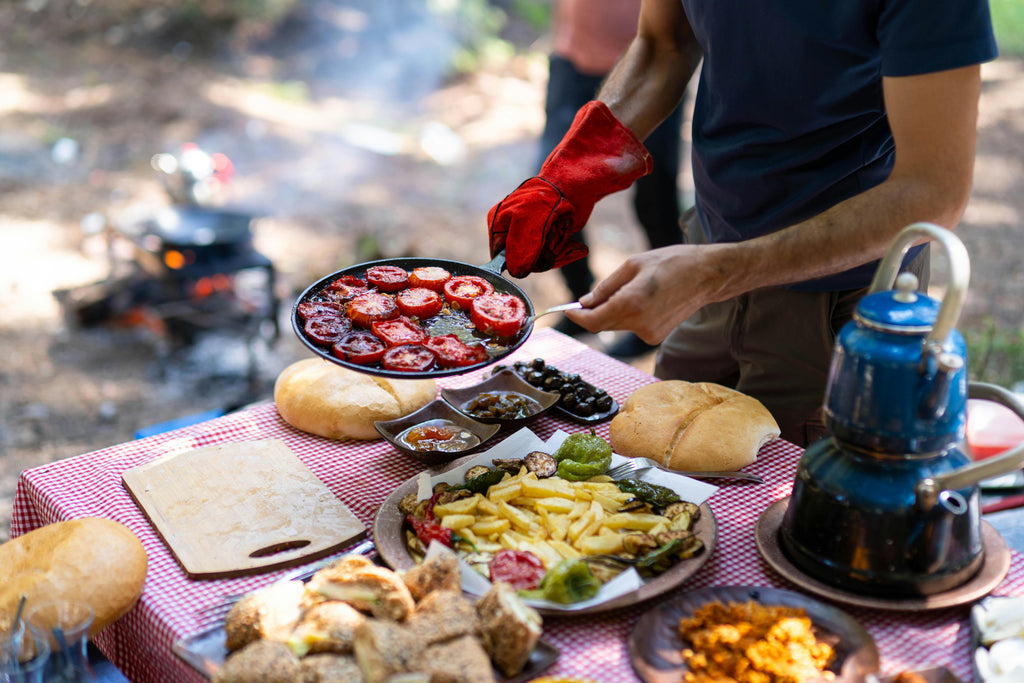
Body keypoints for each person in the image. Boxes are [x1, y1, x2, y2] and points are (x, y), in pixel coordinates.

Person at [487, 0, 997, 446]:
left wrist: (716, 272)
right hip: (709, 252)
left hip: (840, 303)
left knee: (798, 522)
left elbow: (933, 191)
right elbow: (664, 43)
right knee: (663, 476)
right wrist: (570, 175)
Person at [540, 0, 685, 360]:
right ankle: (580, 302)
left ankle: (664, 319)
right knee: (552, 193)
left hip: (652, 73)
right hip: (573, 64)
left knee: (656, 204)